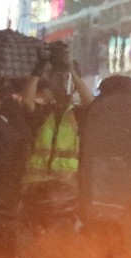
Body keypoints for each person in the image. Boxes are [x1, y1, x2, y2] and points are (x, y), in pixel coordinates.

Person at [21, 42, 94, 191]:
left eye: (65, 78)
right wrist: (38, 69)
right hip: (36, 188)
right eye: (56, 77)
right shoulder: (44, 113)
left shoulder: (78, 115)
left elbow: (91, 105)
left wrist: (72, 72)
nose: (61, 81)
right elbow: (27, 101)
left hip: (65, 190)